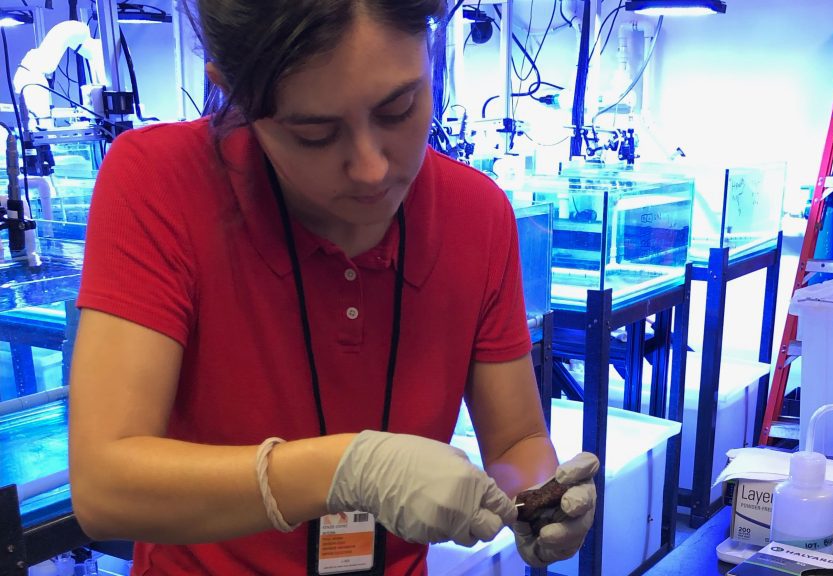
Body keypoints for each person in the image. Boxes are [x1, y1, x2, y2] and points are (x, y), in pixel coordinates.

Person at [67, 1, 599, 574]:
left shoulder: (476, 214)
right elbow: (105, 489)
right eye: (315, 134)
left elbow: (516, 439)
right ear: (237, 93)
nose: (371, 169)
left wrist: (538, 500)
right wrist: (347, 472)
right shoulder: (160, 181)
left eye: (398, 109)